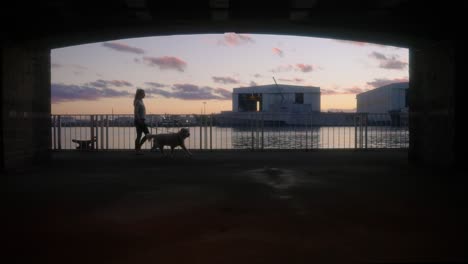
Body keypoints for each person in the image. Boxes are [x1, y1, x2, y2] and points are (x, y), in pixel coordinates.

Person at [133, 88, 151, 153]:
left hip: (141, 120)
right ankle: (137, 149)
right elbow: (136, 112)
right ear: (140, 94)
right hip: (139, 121)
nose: (144, 94)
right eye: (143, 93)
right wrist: (139, 120)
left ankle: (137, 149)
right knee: (146, 135)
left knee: (141, 135)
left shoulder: (141, 101)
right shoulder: (138, 101)